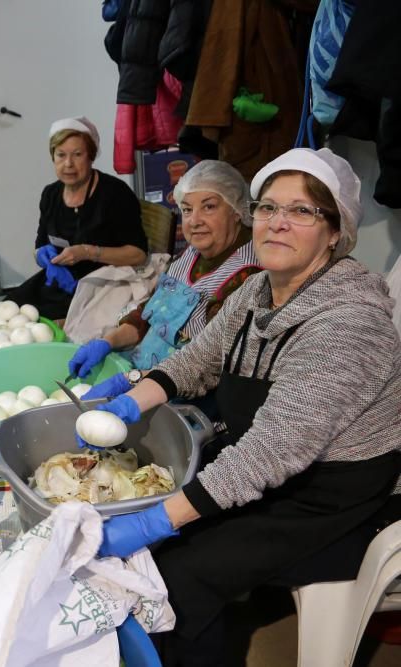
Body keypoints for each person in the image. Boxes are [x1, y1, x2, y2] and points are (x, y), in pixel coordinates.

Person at [76, 148, 401, 665]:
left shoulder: (348, 324)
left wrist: (156, 522)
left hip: (327, 496)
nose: (276, 223)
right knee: (163, 539)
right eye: (268, 207)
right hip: (265, 463)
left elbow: (271, 453)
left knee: (177, 574)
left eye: (301, 211)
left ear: (336, 231)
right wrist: (128, 404)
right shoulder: (257, 291)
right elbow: (195, 361)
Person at [69, 160, 262, 400]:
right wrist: (108, 342)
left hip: (185, 395)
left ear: (237, 211)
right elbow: (148, 314)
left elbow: (208, 365)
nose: (195, 220)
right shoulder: (188, 256)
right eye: (187, 210)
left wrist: (136, 381)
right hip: (143, 375)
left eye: (209, 207)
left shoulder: (249, 277)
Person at [6, 117, 148, 321]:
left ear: (91, 156)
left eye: (77, 154)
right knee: (9, 311)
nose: (68, 164)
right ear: (52, 158)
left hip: (104, 284)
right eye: (61, 155)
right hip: (61, 281)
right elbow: (41, 244)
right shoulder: (51, 194)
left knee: (45, 325)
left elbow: (138, 254)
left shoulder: (115, 194)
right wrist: (42, 257)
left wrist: (88, 252)